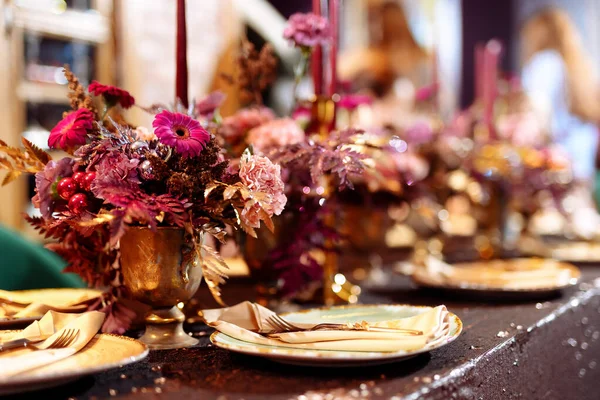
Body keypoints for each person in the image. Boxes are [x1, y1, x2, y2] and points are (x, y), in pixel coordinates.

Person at [521, 8, 600, 239]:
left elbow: (536, 120)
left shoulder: (544, 62)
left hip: (554, 177)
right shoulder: (580, 67)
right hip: (582, 174)